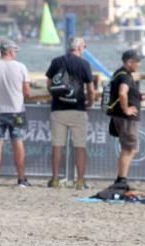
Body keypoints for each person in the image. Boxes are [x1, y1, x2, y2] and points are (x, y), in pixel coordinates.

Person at [45, 36, 93, 189]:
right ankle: (79, 181)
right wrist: (90, 102)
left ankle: (55, 179)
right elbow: (91, 89)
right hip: (78, 109)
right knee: (80, 146)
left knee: (57, 146)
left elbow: (49, 83)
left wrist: (55, 96)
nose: (84, 49)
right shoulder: (84, 64)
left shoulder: (56, 61)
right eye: (84, 46)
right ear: (79, 48)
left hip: (58, 109)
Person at [0, 41, 31, 187]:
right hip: (16, 111)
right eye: (15, 51)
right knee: (18, 142)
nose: (16, 54)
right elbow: (27, 92)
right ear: (9, 52)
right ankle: (21, 179)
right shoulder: (21, 67)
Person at [108, 49, 143, 187]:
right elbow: (123, 93)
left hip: (121, 117)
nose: (139, 64)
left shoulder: (119, 73)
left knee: (129, 148)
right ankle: (121, 179)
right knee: (129, 149)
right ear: (129, 62)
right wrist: (126, 109)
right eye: (137, 61)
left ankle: (121, 179)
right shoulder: (126, 76)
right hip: (126, 119)